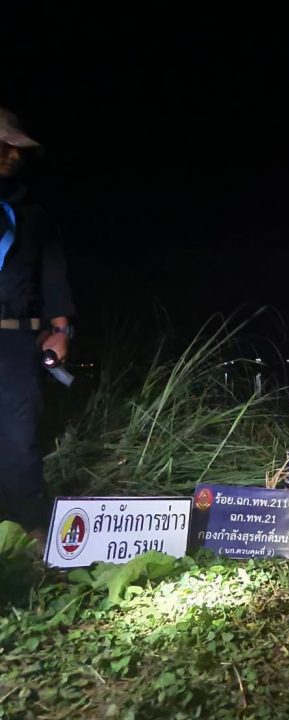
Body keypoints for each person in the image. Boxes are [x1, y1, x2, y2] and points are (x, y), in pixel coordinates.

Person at [0, 109, 75, 537]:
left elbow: (52, 275)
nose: (13, 156)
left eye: (18, 150)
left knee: (18, 436)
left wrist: (60, 330)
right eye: (3, 147)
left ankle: (30, 532)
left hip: (13, 339)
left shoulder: (31, 212)